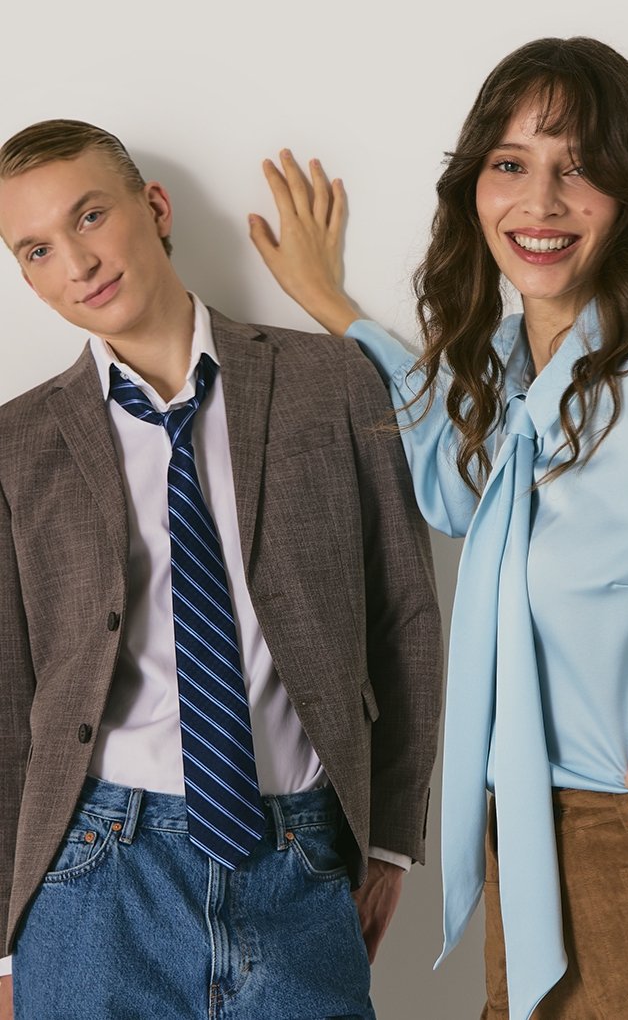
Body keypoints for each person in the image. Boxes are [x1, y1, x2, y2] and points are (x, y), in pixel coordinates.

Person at [0, 118, 443, 1020]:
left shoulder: (332, 385)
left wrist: (392, 842)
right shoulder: (19, 446)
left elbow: (405, 615)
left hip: (300, 862)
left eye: (90, 217)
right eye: (37, 249)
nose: (77, 263)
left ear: (153, 208)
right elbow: (7, 700)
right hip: (92, 879)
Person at [249, 35, 628, 1020]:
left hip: (618, 817)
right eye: (511, 164)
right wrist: (332, 305)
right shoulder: (504, 384)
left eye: (580, 168)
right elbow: (452, 482)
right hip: (522, 819)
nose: (541, 202)